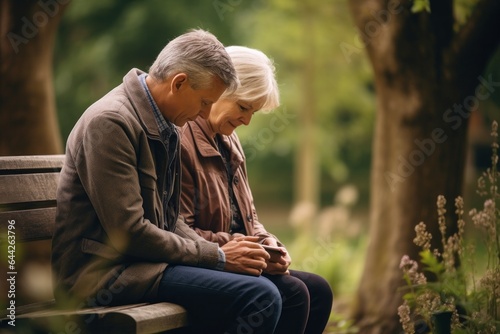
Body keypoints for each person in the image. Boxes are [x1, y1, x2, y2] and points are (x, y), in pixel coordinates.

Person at [51, 30, 284, 334]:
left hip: (144, 264)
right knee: (260, 296)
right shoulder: (111, 123)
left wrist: (220, 254)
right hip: (102, 275)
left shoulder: (165, 123)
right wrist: (219, 257)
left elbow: (170, 221)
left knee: (287, 291)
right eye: (204, 102)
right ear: (179, 83)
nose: (205, 112)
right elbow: (130, 232)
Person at [179, 45, 334, 334]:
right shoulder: (182, 140)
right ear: (219, 89)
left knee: (319, 290)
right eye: (243, 107)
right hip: (203, 262)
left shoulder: (229, 140)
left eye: (254, 111)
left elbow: (248, 216)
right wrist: (240, 245)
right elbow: (178, 229)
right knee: (294, 294)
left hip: (237, 257)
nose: (247, 120)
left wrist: (269, 243)